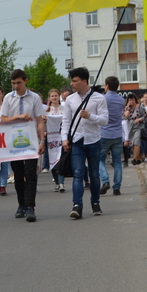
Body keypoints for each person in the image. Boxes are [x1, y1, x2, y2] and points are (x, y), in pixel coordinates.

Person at [61, 67, 108, 220]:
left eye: (75, 81)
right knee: (78, 174)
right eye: (71, 80)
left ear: (84, 81)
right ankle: (77, 206)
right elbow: (66, 120)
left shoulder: (98, 98)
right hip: (77, 141)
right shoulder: (70, 99)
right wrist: (64, 138)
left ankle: (95, 202)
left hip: (93, 140)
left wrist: (90, 116)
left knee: (94, 174)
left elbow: (104, 120)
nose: (72, 83)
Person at [1, 69, 46, 222]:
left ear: (25, 81)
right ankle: (21, 204)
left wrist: (42, 141)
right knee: (18, 175)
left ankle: (30, 206)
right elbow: (3, 119)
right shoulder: (8, 98)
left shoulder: (34, 98)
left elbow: (39, 121)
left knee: (30, 174)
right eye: (13, 83)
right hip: (14, 143)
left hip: (31, 141)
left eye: (19, 83)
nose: (16, 86)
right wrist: (19, 116)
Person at [99, 77, 125, 197]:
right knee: (117, 162)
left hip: (104, 133)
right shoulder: (121, 100)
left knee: (99, 159)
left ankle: (105, 180)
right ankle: (117, 187)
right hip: (117, 133)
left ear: (107, 86)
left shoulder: (103, 99)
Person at [123, 93, 147, 165]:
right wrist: (128, 108)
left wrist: (140, 119)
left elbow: (145, 116)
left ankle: (134, 158)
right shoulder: (127, 108)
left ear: (135, 100)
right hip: (130, 127)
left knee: (137, 141)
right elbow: (125, 117)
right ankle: (138, 159)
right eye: (130, 100)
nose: (131, 101)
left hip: (138, 127)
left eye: (133, 100)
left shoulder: (140, 107)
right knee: (132, 143)